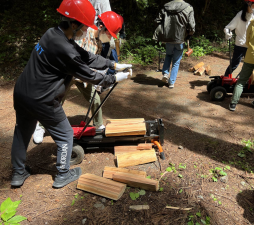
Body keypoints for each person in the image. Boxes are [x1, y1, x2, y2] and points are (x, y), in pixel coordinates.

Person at [11, 0, 132, 188]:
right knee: (66, 134)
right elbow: (90, 75)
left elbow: (87, 56)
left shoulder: (52, 34)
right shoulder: (66, 49)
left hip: (22, 93)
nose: (86, 30)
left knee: (21, 133)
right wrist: (115, 78)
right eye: (84, 26)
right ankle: (62, 174)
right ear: (74, 25)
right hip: (43, 100)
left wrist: (112, 65)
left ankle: (18, 174)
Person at [153, 0, 195, 89]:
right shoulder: (188, 7)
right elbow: (191, 24)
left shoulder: (166, 6)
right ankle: (171, 82)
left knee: (168, 56)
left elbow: (158, 20)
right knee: (176, 61)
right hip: (180, 39)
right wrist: (190, 34)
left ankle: (165, 73)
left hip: (168, 38)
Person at [224, 0, 254, 77]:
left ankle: (242, 82)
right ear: (249, 3)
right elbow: (228, 27)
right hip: (240, 45)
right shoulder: (240, 14)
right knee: (234, 64)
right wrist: (227, 33)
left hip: (251, 46)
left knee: (249, 67)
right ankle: (226, 79)